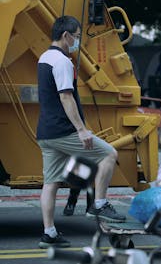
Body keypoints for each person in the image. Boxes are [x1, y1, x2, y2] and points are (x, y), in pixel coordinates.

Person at [36, 16, 126, 248]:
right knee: (108, 154)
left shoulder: (44, 58)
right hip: (63, 130)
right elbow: (66, 97)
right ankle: (99, 204)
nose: (77, 41)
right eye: (76, 37)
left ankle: (49, 233)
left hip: (46, 132)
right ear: (65, 36)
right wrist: (82, 130)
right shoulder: (62, 62)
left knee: (51, 182)